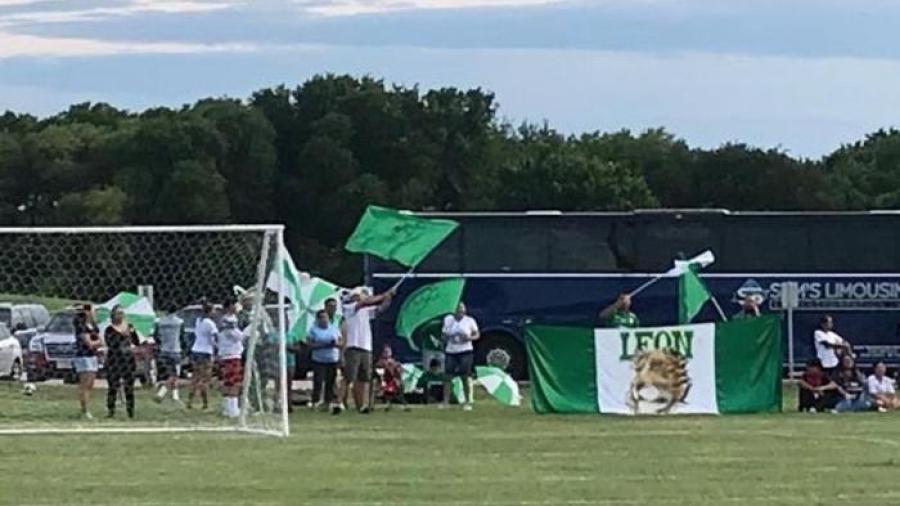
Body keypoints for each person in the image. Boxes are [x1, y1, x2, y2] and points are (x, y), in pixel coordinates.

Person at [341, 286, 395, 414]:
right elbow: (365, 302)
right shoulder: (349, 308)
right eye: (361, 295)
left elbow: (381, 308)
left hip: (366, 346)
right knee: (349, 376)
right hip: (353, 345)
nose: (364, 296)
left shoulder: (366, 311)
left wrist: (388, 298)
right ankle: (340, 402)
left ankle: (362, 404)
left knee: (364, 378)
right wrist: (384, 294)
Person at [104, 305, 141, 419]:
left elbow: (137, 341)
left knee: (129, 387)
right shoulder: (109, 329)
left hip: (128, 360)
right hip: (114, 360)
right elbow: (111, 344)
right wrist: (122, 336)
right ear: (113, 315)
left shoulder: (129, 327)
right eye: (118, 313)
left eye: (122, 313)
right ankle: (111, 411)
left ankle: (131, 411)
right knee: (113, 387)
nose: (120, 315)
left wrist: (132, 333)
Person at [442, 302, 480, 411]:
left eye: (462, 310)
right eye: (458, 311)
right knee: (448, 376)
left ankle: (467, 401)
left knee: (465, 375)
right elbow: (443, 335)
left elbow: (477, 335)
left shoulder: (470, 321)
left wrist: (469, 338)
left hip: (465, 350)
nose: (460, 313)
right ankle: (446, 401)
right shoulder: (448, 320)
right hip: (451, 351)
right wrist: (447, 336)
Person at [307, 309, 341, 412]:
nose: (324, 320)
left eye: (325, 317)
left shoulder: (334, 329)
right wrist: (324, 344)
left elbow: (340, 343)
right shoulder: (313, 330)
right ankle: (316, 401)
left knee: (330, 382)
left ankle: (328, 402)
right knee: (318, 381)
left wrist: (335, 344)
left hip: (332, 359)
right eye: (321, 317)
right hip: (319, 360)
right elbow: (310, 345)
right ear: (318, 319)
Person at [73, 304, 102, 420]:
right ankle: (85, 410)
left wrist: (98, 341)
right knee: (85, 385)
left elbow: (98, 338)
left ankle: (86, 408)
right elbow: (89, 343)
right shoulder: (81, 326)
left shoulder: (92, 326)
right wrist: (99, 342)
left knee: (90, 385)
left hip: (92, 356)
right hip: (84, 357)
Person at [187, 300, 217, 411]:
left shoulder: (198, 321)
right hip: (206, 351)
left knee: (195, 377)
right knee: (205, 378)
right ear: (209, 311)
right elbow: (214, 338)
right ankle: (205, 403)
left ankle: (189, 401)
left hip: (196, 350)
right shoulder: (210, 323)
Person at [217, 298, 244, 418]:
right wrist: (247, 334)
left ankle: (227, 407)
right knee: (234, 382)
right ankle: (232, 409)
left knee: (227, 381)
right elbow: (235, 336)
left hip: (225, 353)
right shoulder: (229, 320)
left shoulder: (224, 320)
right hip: (232, 354)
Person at [153, 305, 185, 405]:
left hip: (164, 350)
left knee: (171, 374)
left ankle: (175, 396)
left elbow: (156, 336)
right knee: (175, 374)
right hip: (175, 350)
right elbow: (182, 337)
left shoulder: (160, 322)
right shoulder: (179, 322)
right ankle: (162, 392)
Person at [376, 345, 409, 411]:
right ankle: (389, 403)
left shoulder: (394, 361)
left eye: (389, 351)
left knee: (398, 385)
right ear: (382, 353)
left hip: (393, 381)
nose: (387, 353)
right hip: (384, 381)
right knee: (389, 387)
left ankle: (403, 404)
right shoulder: (380, 362)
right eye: (385, 352)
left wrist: (399, 369)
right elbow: (379, 371)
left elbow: (399, 370)